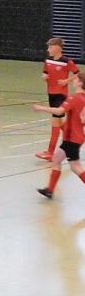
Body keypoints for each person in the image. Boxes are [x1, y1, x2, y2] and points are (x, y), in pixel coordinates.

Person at [33, 72, 85, 200]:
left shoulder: (75, 98)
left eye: (76, 79)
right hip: (74, 137)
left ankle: (50, 190)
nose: (73, 80)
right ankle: (49, 190)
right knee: (56, 160)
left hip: (72, 138)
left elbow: (59, 111)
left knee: (75, 166)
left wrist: (41, 108)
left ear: (80, 83)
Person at [36, 38, 79, 161]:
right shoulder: (48, 60)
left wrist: (66, 80)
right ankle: (71, 142)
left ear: (57, 47)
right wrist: (44, 76)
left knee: (55, 123)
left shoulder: (66, 61)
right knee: (59, 123)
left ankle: (50, 152)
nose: (48, 49)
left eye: (50, 47)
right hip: (51, 94)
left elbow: (77, 73)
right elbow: (45, 73)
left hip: (60, 95)